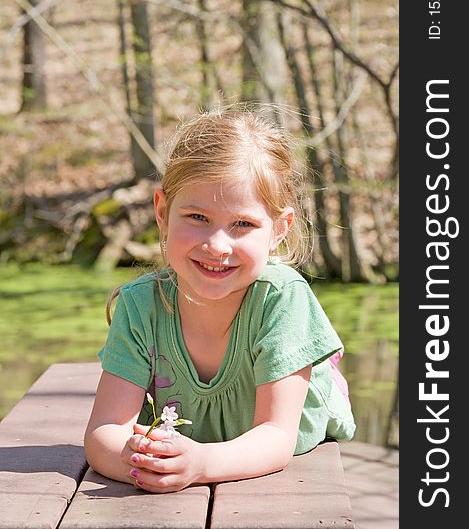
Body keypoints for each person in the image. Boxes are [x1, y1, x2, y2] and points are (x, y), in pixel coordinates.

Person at [84, 107, 355, 493]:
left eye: (242, 224)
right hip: (194, 441)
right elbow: (103, 433)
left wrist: (201, 463)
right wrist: (137, 458)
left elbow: (277, 437)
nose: (216, 245)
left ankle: (320, 367)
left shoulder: (281, 298)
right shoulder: (140, 305)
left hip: (287, 430)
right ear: (162, 212)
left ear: (279, 229)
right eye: (197, 216)